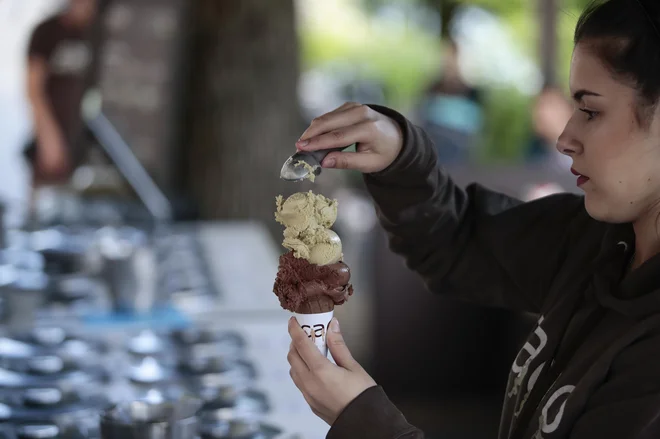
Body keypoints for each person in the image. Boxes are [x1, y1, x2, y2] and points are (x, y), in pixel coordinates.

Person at [285, 0, 660, 437]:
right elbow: (458, 242)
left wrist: (365, 421)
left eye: (591, 110)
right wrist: (400, 156)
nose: (564, 138)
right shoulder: (593, 239)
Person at [26, 0, 98, 184]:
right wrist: (48, 138)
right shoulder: (46, 31)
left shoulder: (94, 34)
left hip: (78, 141)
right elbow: (33, 90)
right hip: (47, 140)